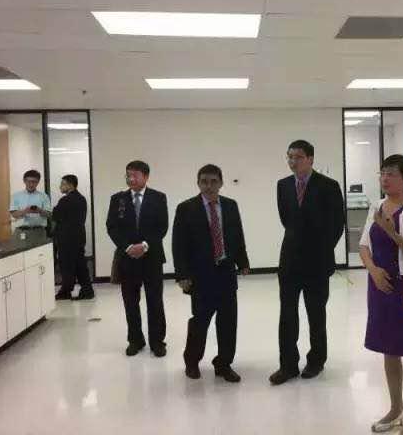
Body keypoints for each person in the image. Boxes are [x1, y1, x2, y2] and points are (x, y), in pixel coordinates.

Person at [359, 155, 403, 435]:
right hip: (380, 286)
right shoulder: (376, 206)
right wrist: (373, 271)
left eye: (391, 174)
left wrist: (392, 232)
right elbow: (364, 246)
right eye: (383, 173)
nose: (385, 178)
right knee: (389, 349)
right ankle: (395, 407)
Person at [269, 140, 345, 385]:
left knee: (316, 315)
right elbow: (286, 220)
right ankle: (288, 365)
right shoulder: (283, 185)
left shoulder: (329, 186)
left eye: (298, 157)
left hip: (318, 262)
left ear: (311, 159)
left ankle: (316, 361)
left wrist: (320, 250)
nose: (293, 161)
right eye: (289, 157)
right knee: (287, 315)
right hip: (290, 261)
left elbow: (337, 224)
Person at [172, 164, 250, 383]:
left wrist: (243, 261)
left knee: (228, 322)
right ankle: (192, 361)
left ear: (221, 183)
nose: (208, 186)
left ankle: (223, 363)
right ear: (198, 183)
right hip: (201, 275)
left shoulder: (230, 206)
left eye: (213, 181)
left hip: (226, 272)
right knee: (200, 321)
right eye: (204, 181)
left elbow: (237, 235)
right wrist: (182, 275)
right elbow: (179, 244)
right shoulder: (186, 208)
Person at [106, 160, 168, 357]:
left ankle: (157, 342)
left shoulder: (159, 198)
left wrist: (145, 245)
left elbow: (162, 226)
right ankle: (135, 340)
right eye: (128, 175)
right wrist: (128, 247)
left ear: (146, 176)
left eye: (135, 175)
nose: (130, 179)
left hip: (152, 257)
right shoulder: (118, 199)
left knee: (155, 301)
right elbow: (111, 227)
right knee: (130, 302)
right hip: (127, 258)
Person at [53, 175, 94, 300]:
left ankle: (66, 291)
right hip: (79, 237)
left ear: (70, 185)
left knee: (67, 265)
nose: (60, 186)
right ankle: (87, 290)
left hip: (66, 238)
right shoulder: (82, 199)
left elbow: (55, 216)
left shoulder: (65, 200)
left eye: (62, 184)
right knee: (80, 264)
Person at [9, 169, 52, 241]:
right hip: (21, 232)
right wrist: (25, 211)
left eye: (34, 182)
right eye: (29, 181)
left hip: (39, 232)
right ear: (24, 181)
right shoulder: (16, 196)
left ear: (38, 182)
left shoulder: (44, 196)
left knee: (41, 249)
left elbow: (49, 215)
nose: (31, 184)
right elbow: (14, 215)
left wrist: (39, 210)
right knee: (20, 248)